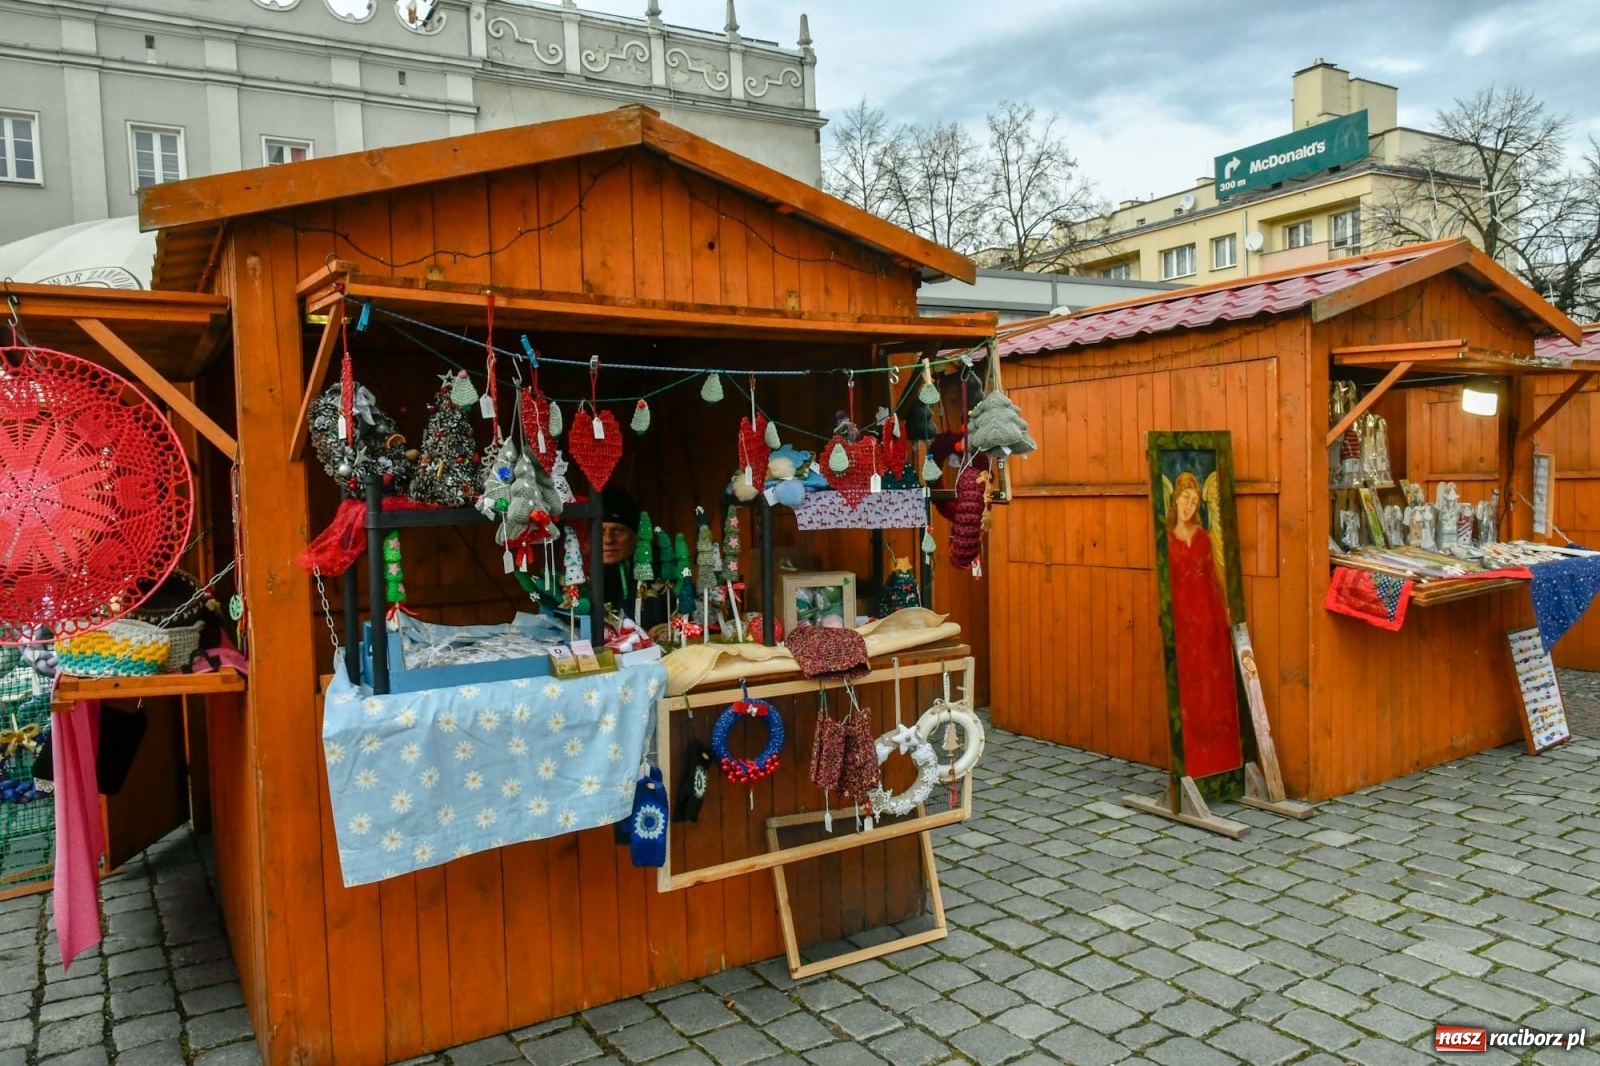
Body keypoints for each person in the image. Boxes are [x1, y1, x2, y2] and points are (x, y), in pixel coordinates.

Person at [1164, 470, 1243, 779]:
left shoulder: (1204, 538)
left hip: (1204, 618)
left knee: (1207, 684)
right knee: (1185, 682)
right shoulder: (1166, 540)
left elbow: (1215, 579)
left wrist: (1224, 612)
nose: (1189, 504)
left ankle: (1212, 759)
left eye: (1195, 500)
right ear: (1175, 498)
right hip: (1180, 620)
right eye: (1185, 497)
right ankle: (1190, 756)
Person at [597, 487, 667, 630]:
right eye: (600, 531)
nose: (608, 540)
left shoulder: (659, 575)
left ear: (634, 536)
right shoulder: (582, 575)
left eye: (618, 530)